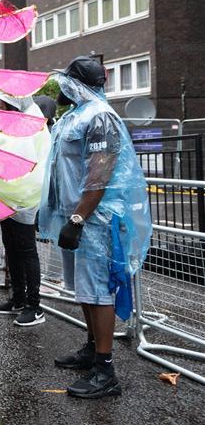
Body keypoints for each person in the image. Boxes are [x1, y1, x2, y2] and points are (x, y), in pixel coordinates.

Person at [38, 56, 151, 399]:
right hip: (74, 217)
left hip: (94, 221)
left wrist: (78, 219)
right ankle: (91, 347)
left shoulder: (99, 116)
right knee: (84, 290)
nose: (60, 89)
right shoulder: (74, 115)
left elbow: (99, 174)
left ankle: (106, 369)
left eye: (65, 83)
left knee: (99, 290)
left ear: (76, 84)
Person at [0, 93, 51, 326]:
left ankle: (34, 307)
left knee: (25, 250)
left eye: (3, 103)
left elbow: (13, 167)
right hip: (10, 198)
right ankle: (18, 299)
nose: (0, 107)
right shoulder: (18, 125)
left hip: (23, 199)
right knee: (12, 247)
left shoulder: (28, 128)